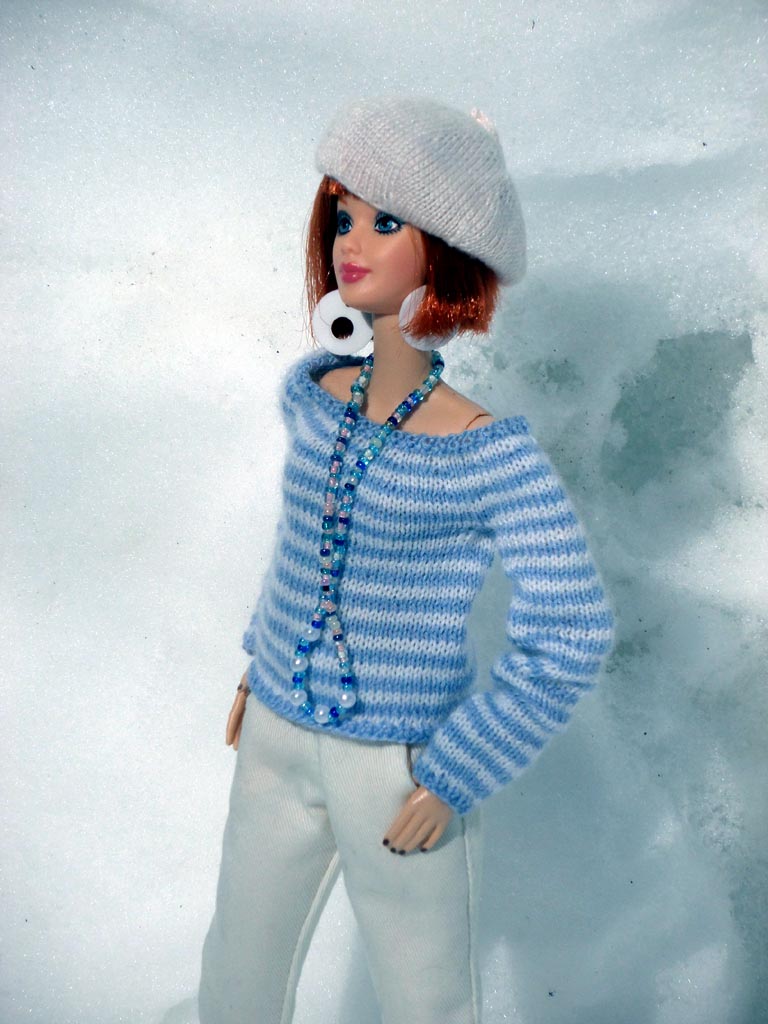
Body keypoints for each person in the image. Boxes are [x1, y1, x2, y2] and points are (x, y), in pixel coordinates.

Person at [198, 96, 615, 1024]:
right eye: (343, 215)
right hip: (272, 733)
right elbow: (301, 551)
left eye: (387, 223)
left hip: (396, 768)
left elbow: (572, 630)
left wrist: (456, 769)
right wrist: (261, 662)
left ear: (446, 254)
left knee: (424, 995)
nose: (352, 242)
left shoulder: (488, 453)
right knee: (237, 965)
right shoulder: (318, 400)